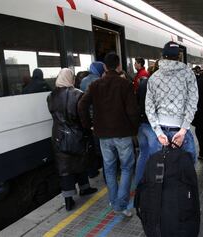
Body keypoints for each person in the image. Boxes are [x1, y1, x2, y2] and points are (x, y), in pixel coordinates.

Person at [78, 53, 139, 217]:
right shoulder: (125, 84)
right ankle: (121, 204)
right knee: (126, 168)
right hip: (123, 134)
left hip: (103, 135)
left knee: (109, 168)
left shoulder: (95, 84)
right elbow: (133, 112)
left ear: (104, 67)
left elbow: (82, 105)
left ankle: (113, 201)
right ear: (119, 66)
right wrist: (134, 129)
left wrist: (88, 125)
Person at [47, 68, 98, 211]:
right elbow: (85, 116)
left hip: (58, 136)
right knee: (80, 161)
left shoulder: (51, 96)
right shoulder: (78, 95)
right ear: (71, 78)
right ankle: (84, 188)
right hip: (77, 134)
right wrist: (89, 127)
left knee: (65, 168)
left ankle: (68, 200)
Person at [145, 41, 198, 161]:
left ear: (163, 56)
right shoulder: (188, 74)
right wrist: (183, 130)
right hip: (180, 130)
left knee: (159, 171)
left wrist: (158, 133)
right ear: (179, 56)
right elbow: (192, 102)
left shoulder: (154, 77)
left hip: (160, 131)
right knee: (186, 170)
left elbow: (149, 108)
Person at [134, 61, 160, 185]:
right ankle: (153, 184)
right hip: (152, 125)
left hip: (141, 123)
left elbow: (137, 102)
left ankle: (139, 183)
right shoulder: (158, 85)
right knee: (156, 155)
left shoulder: (143, 83)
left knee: (143, 154)